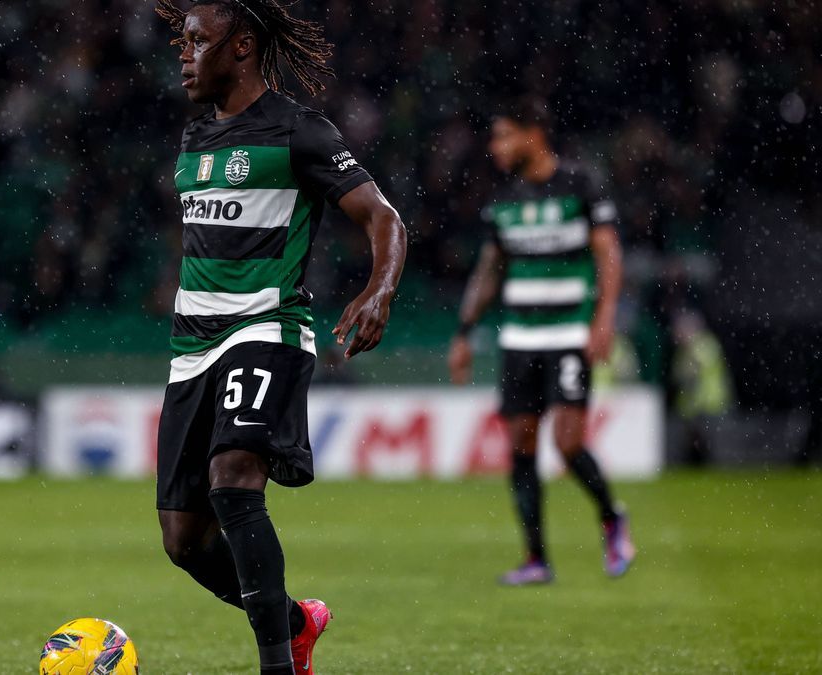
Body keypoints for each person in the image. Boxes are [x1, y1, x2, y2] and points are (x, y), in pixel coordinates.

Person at [153, 1, 407, 672]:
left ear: (239, 48)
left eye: (197, 40)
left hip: (266, 327)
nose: (183, 53)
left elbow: (383, 217)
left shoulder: (301, 132)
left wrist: (379, 288)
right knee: (182, 539)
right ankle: (296, 621)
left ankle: (278, 667)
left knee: (234, 478)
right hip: (190, 350)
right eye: (182, 41)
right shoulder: (194, 139)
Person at [447, 96, 635, 586]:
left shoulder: (581, 184)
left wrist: (604, 319)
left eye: (505, 135)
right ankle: (536, 559)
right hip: (520, 339)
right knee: (521, 444)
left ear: (534, 133)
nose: (496, 147)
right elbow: (489, 271)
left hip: (569, 332)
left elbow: (609, 255)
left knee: (568, 441)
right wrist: (465, 332)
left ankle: (612, 516)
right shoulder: (504, 200)